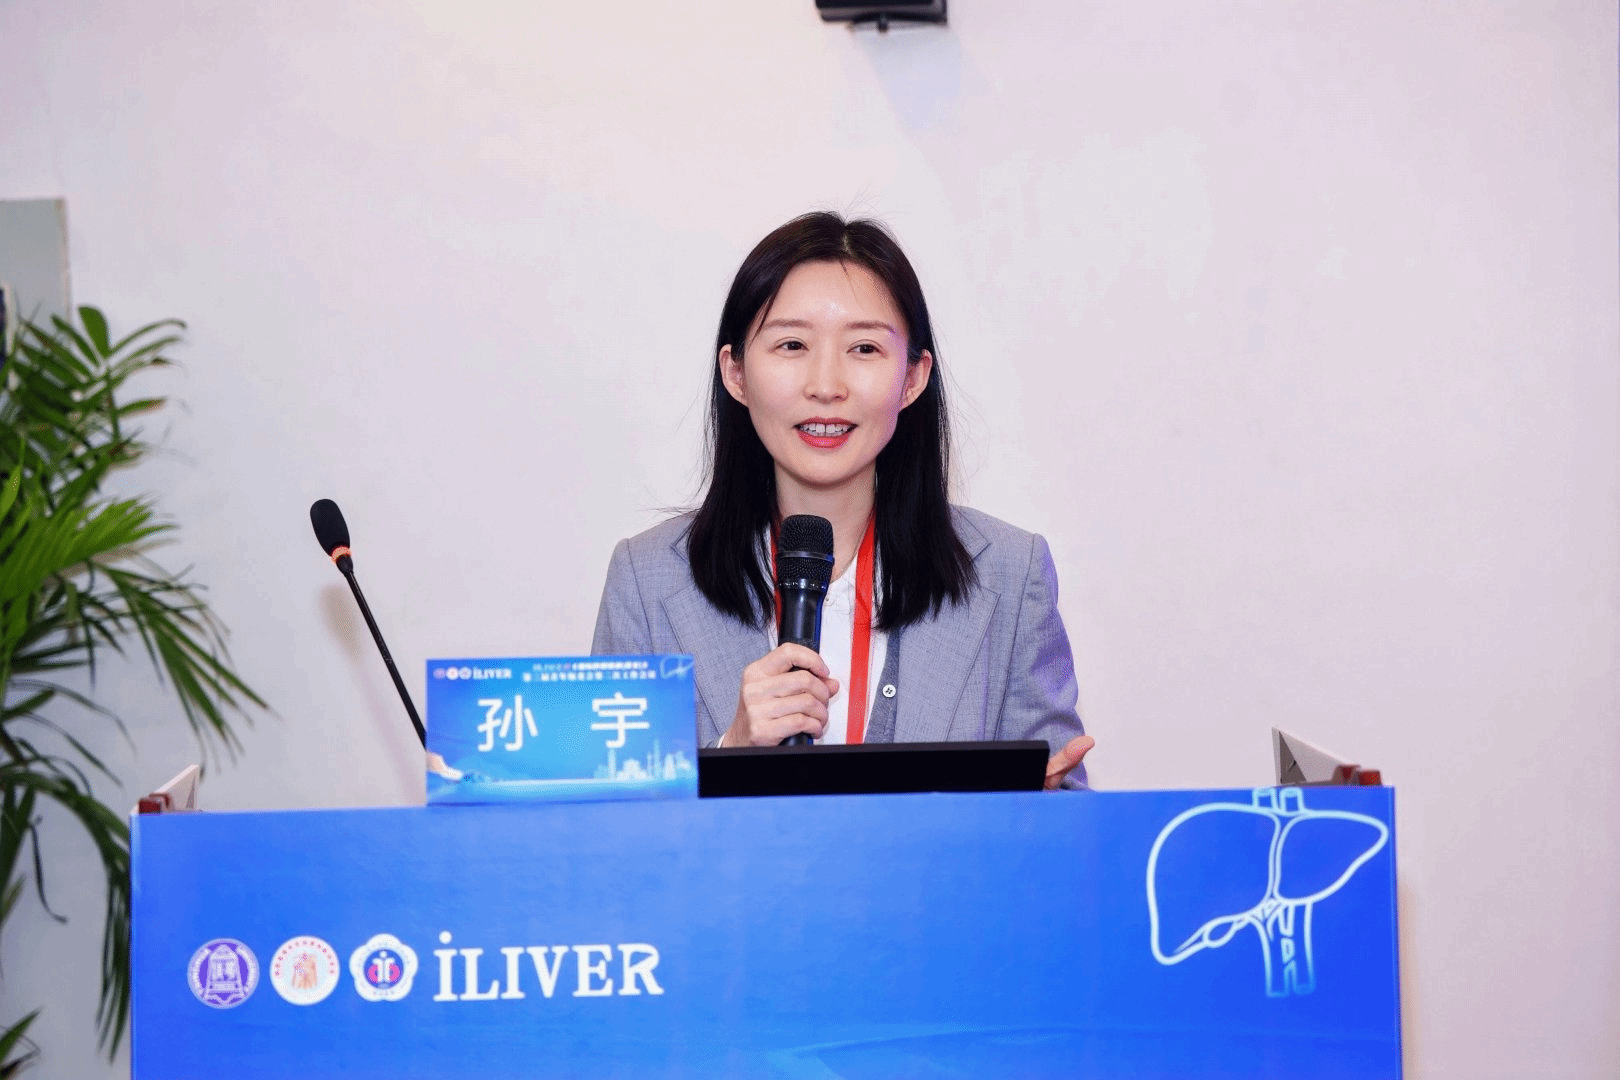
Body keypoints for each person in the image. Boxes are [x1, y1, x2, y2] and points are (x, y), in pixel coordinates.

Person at [592, 212, 1093, 789]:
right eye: (792, 344)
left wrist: (1035, 812)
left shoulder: (1010, 572)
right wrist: (731, 752)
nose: (826, 385)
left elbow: (1067, 805)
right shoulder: (646, 580)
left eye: (863, 348)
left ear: (912, 377)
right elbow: (608, 824)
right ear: (736, 373)